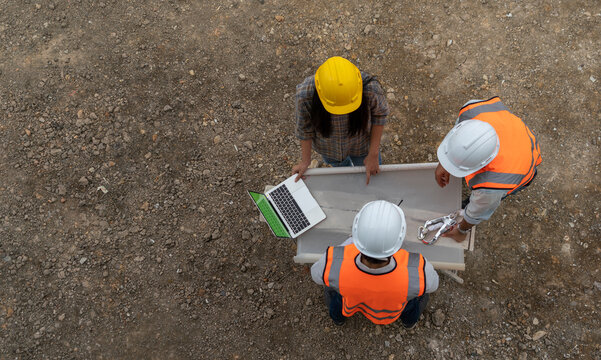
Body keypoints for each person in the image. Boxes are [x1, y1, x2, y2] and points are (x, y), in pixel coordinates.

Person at [310, 200, 439, 327]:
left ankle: (338, 319)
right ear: (400, 237)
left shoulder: (333, 261)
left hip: (351, 302)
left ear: (356, 232)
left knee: (331, 289)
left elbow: (316, 275)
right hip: (392, 310)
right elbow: (434, 285)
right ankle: (408, 322)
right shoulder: (417, 269)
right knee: (421, 294)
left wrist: (349, 243)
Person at [435, 97, 542, 242]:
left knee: (478, 204)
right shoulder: (472, 110)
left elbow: (477, 212)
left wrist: (462, 230)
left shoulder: (492, 186)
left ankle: (464, 206)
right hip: (517, 135)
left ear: (483, 164)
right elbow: (458, 132)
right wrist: (446, 162)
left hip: (523, 165)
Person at [293, 56, 389, 185]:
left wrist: (373, 154)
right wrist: (305, 161)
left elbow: (380, 115)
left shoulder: (370, 89)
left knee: (371, 176)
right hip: (329, 150)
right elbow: (304, 128)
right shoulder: (305, 94)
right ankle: (351, 181)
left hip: (361, 146)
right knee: (342, 171)